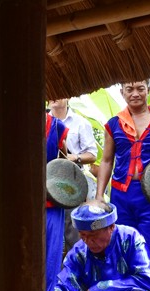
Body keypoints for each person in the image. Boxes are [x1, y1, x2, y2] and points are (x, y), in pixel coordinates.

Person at [95, 80, 150, 279]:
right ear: (122, 92)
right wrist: (99, 195)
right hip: (121, 195)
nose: (135, 93)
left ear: (148, 90)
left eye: (140, 89)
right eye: (130, 89)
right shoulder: (113, 124)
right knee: (120, 248)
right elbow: (107, 161)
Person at [47, 99, 98, 250]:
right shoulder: (42, 121)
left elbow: (93, 155)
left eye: (59, 95)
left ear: (68, 97)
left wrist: (74, 157)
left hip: (72, 183)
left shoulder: (80, 123)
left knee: (73, 232)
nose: (54, 98)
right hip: (48, 185)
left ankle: (76, 268)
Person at [45, 112, 68, 291]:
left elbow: (64, 159)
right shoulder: (13, 122)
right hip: (20, 199)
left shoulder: (56, 126)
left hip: (51, 199)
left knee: (51, 250)